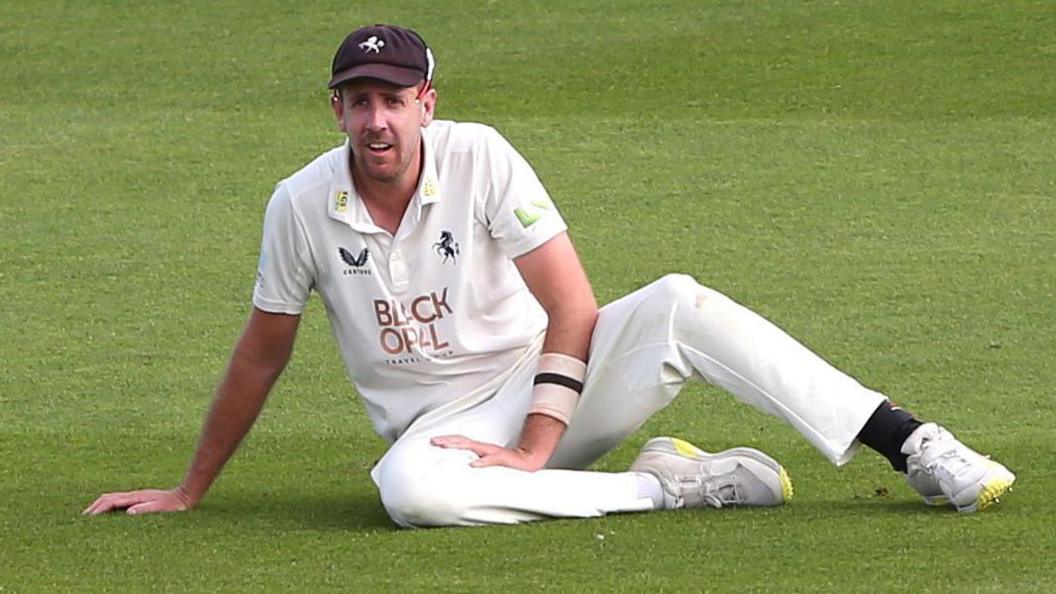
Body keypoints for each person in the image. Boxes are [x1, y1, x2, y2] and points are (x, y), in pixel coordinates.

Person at [85, 24, 1015, 526]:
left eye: (395, 101)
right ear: (335, 110)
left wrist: (534, 444)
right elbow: (261, 352)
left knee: (678, 304)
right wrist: (190, 488)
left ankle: (916, 445)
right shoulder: (299, 203)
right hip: (441, 431)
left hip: (547, 386)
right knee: (407, 496)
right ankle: (675, 486)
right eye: (360, 101)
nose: (378, 121)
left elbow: (572, 307)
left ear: (427, 104)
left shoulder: (481, 155)